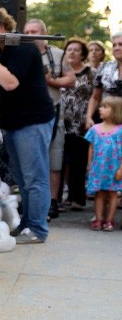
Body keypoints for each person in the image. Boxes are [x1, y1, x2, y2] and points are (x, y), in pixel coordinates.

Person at [0, 5, 54, 245]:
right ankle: (28, 224)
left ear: (3, 27)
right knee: (23, 178)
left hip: (32, 121)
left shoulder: (22, 48)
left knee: (34, 178)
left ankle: (37, 228)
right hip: (14, 122)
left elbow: (9, 82)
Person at [24, 19, 76, 220]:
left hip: (53, 112)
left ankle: (52, 201)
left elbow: (70, 79)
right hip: (29, 115)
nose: (30, 35)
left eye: (34, 31)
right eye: (27, 32)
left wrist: (51, 81)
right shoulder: (21, 53)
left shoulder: (56, 54)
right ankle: (33, 203)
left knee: (54, 159)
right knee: (32, 162)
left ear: (44, 34)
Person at [60, 38, 94, 211]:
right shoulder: (60, 70)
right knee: (59, 161)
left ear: (83, 54)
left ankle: (76, 198)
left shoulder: (91, 72)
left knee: (78, 162)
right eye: (69, 49)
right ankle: (58, 198)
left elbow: (95, 96)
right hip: (60, 122)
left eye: (76, 50)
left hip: (80, 123)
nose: (71, 52)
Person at [85, 96, 122, 231]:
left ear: (115, 111)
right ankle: (99, 219)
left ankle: (109, 220)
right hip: (98, 167)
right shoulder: (95, 129)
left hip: (114, 168)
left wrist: (121, 169)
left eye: (105, 107)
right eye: (101, 106)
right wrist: (89, 164)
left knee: (113, 193)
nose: (100, 109)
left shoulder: (120, 130)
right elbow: (91, 147)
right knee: (99, 193)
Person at [87, 32, 122, 129]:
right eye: (114, 45)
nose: (117, 48)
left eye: (120, 44)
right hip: (107, 123)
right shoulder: (105, 67)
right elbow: (95, 97)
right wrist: (89, 117)